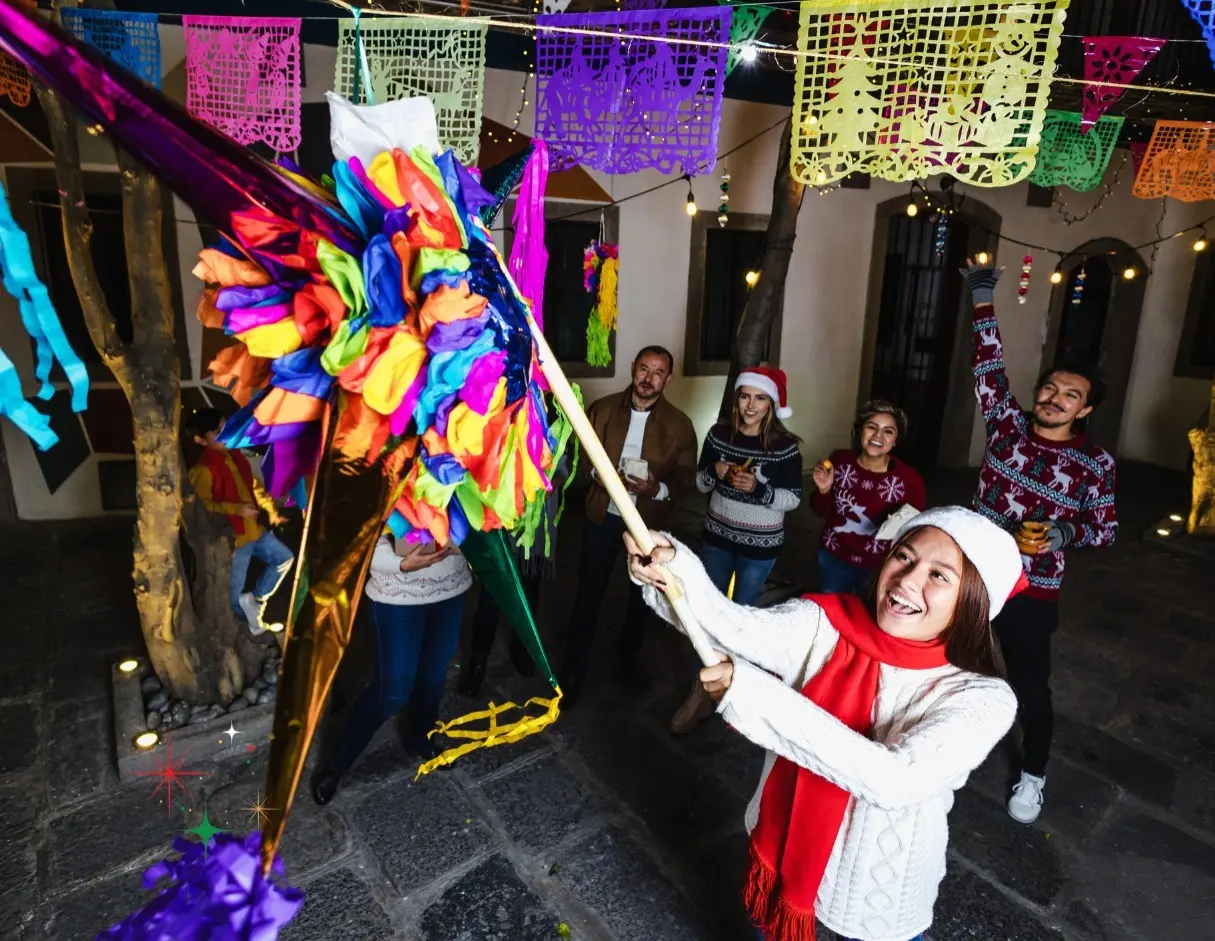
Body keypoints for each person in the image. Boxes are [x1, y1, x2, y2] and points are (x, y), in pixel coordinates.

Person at [625, 506, 1023, 941]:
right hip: (781, 838)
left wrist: (756, 695)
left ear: (974, 602)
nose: (907, 580)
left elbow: (896, 780)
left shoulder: (982, 699)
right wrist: (673, 570)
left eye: (938, 575)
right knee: (768, 926)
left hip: (876, 884)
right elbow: (733, 629)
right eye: (904, 556)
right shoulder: (828, 623)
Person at [962, 258, 1117, 825]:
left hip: (1033, 588)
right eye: (1050, 388)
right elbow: (989, 366)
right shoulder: (1007, 425)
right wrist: (982, 298)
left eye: (1070, 395)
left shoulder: (1094, 463)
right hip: (975, 570)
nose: (1054, 398)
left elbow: (1105, 530)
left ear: (1086, 409)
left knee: (1031, 686)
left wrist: (1064, 532)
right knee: (946, 660)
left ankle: (1033, 774)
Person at [560, 345, 698, 706]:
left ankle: (628, 661)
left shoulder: (680, 425)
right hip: (601, 517)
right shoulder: (602, 409)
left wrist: (657, 489)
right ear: (633, 367)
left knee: (642, 600)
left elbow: (686, 478)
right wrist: (601, 477)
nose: (649, 378)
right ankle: (574, 669)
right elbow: (580, 453)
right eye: (644, 369)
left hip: (648, 528)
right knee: (588, 594)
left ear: (668, 379)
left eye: (658, 373)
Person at [668, 366, 803, 734]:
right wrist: (714, 470)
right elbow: (700, 484)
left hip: (760, 545)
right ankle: (701, 690)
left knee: (742, 618)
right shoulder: (718, 435)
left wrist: (758, 489)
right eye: (745, 396)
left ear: (772, 404)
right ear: (736, 399)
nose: (751, 405)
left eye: (760, 398)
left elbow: (792, 499)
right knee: (706, 612)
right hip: (718, 537)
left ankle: (735, 692)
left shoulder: (784, 447)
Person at [312, 533, 472, 804]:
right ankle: (337, 763)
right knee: (391, 692)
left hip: (452, 587)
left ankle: (420, 739)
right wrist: (395, 563)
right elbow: (353, 533)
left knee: (433, 678)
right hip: (397, 593)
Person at [186, 408, 293, 636]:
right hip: (235, 538)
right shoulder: (202, 469)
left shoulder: (234, 455)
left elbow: (253, 485)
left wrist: (271, 510)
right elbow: (200, 507)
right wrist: (235, 509)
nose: (226, 433)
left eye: (226, 426)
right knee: (233, 595)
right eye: (217, 431)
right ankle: (245, 630)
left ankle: (256, 601)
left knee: (284, 558)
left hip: (255, 529)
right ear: (200, 440)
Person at [810, 401, 926, 594]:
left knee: (866, 610)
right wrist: (824, 490)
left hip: (878, 565)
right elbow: (819, 511)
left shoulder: (909, 480)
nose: (878, 436)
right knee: (831, 608)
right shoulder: (839, 460)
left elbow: (914, 531)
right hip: (834, 557)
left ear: (896, 439)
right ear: (860, 431)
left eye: (888, 431)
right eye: (872, 427)